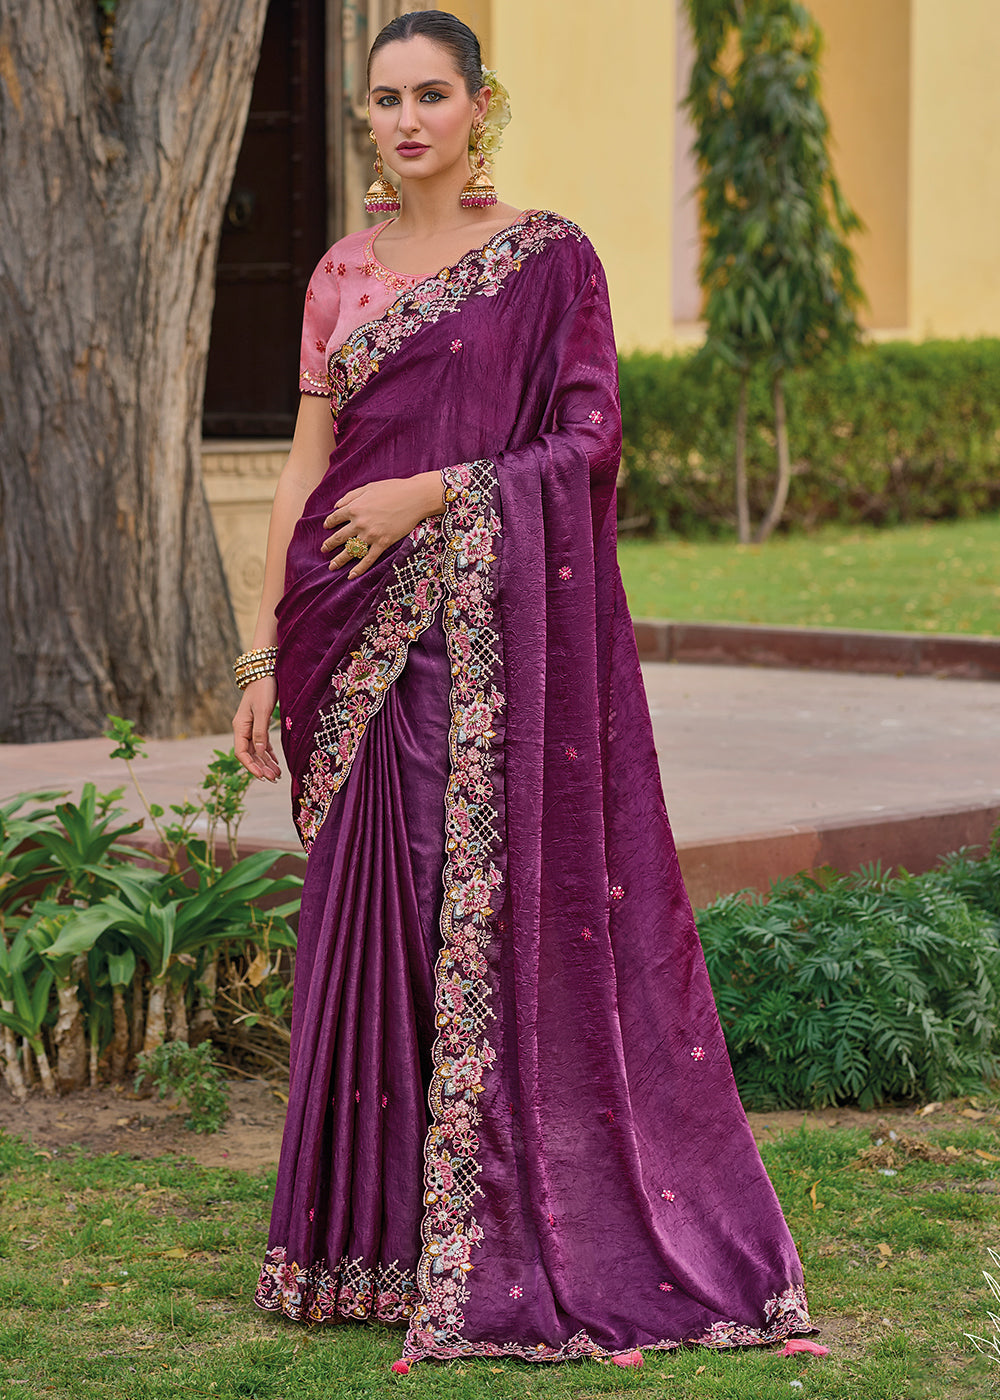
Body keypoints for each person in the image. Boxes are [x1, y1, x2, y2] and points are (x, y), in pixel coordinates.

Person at [233, 9, 811, 1370]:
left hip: (482, 638)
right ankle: (363, 1244)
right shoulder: (339, 273)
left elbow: (589, 441)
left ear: (479, 104)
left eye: (431, 94)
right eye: (386, 98)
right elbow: (306, 466)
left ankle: (488, 1223)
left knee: (469, 908)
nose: (406, 119)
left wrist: (439, 490)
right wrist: (260, 652)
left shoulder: (549, 262)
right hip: (343, 629)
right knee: (370, 916)